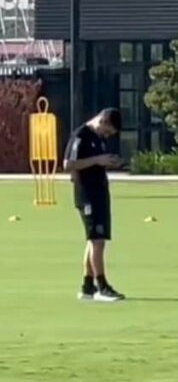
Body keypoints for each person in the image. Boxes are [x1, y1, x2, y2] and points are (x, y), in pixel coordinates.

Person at [63, 108, 125, 302]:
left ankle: (87, 286)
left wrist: (107, 162)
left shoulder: (99, 138)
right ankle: (102, 286)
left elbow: (93, 164)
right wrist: (98, 160)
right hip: (87, 194)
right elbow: (68, 164)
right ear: (102, 121)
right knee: (97, 241)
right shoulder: (80, 136)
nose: (106, 135)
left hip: (99, 193)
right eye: (107, 131)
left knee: (95, 240)